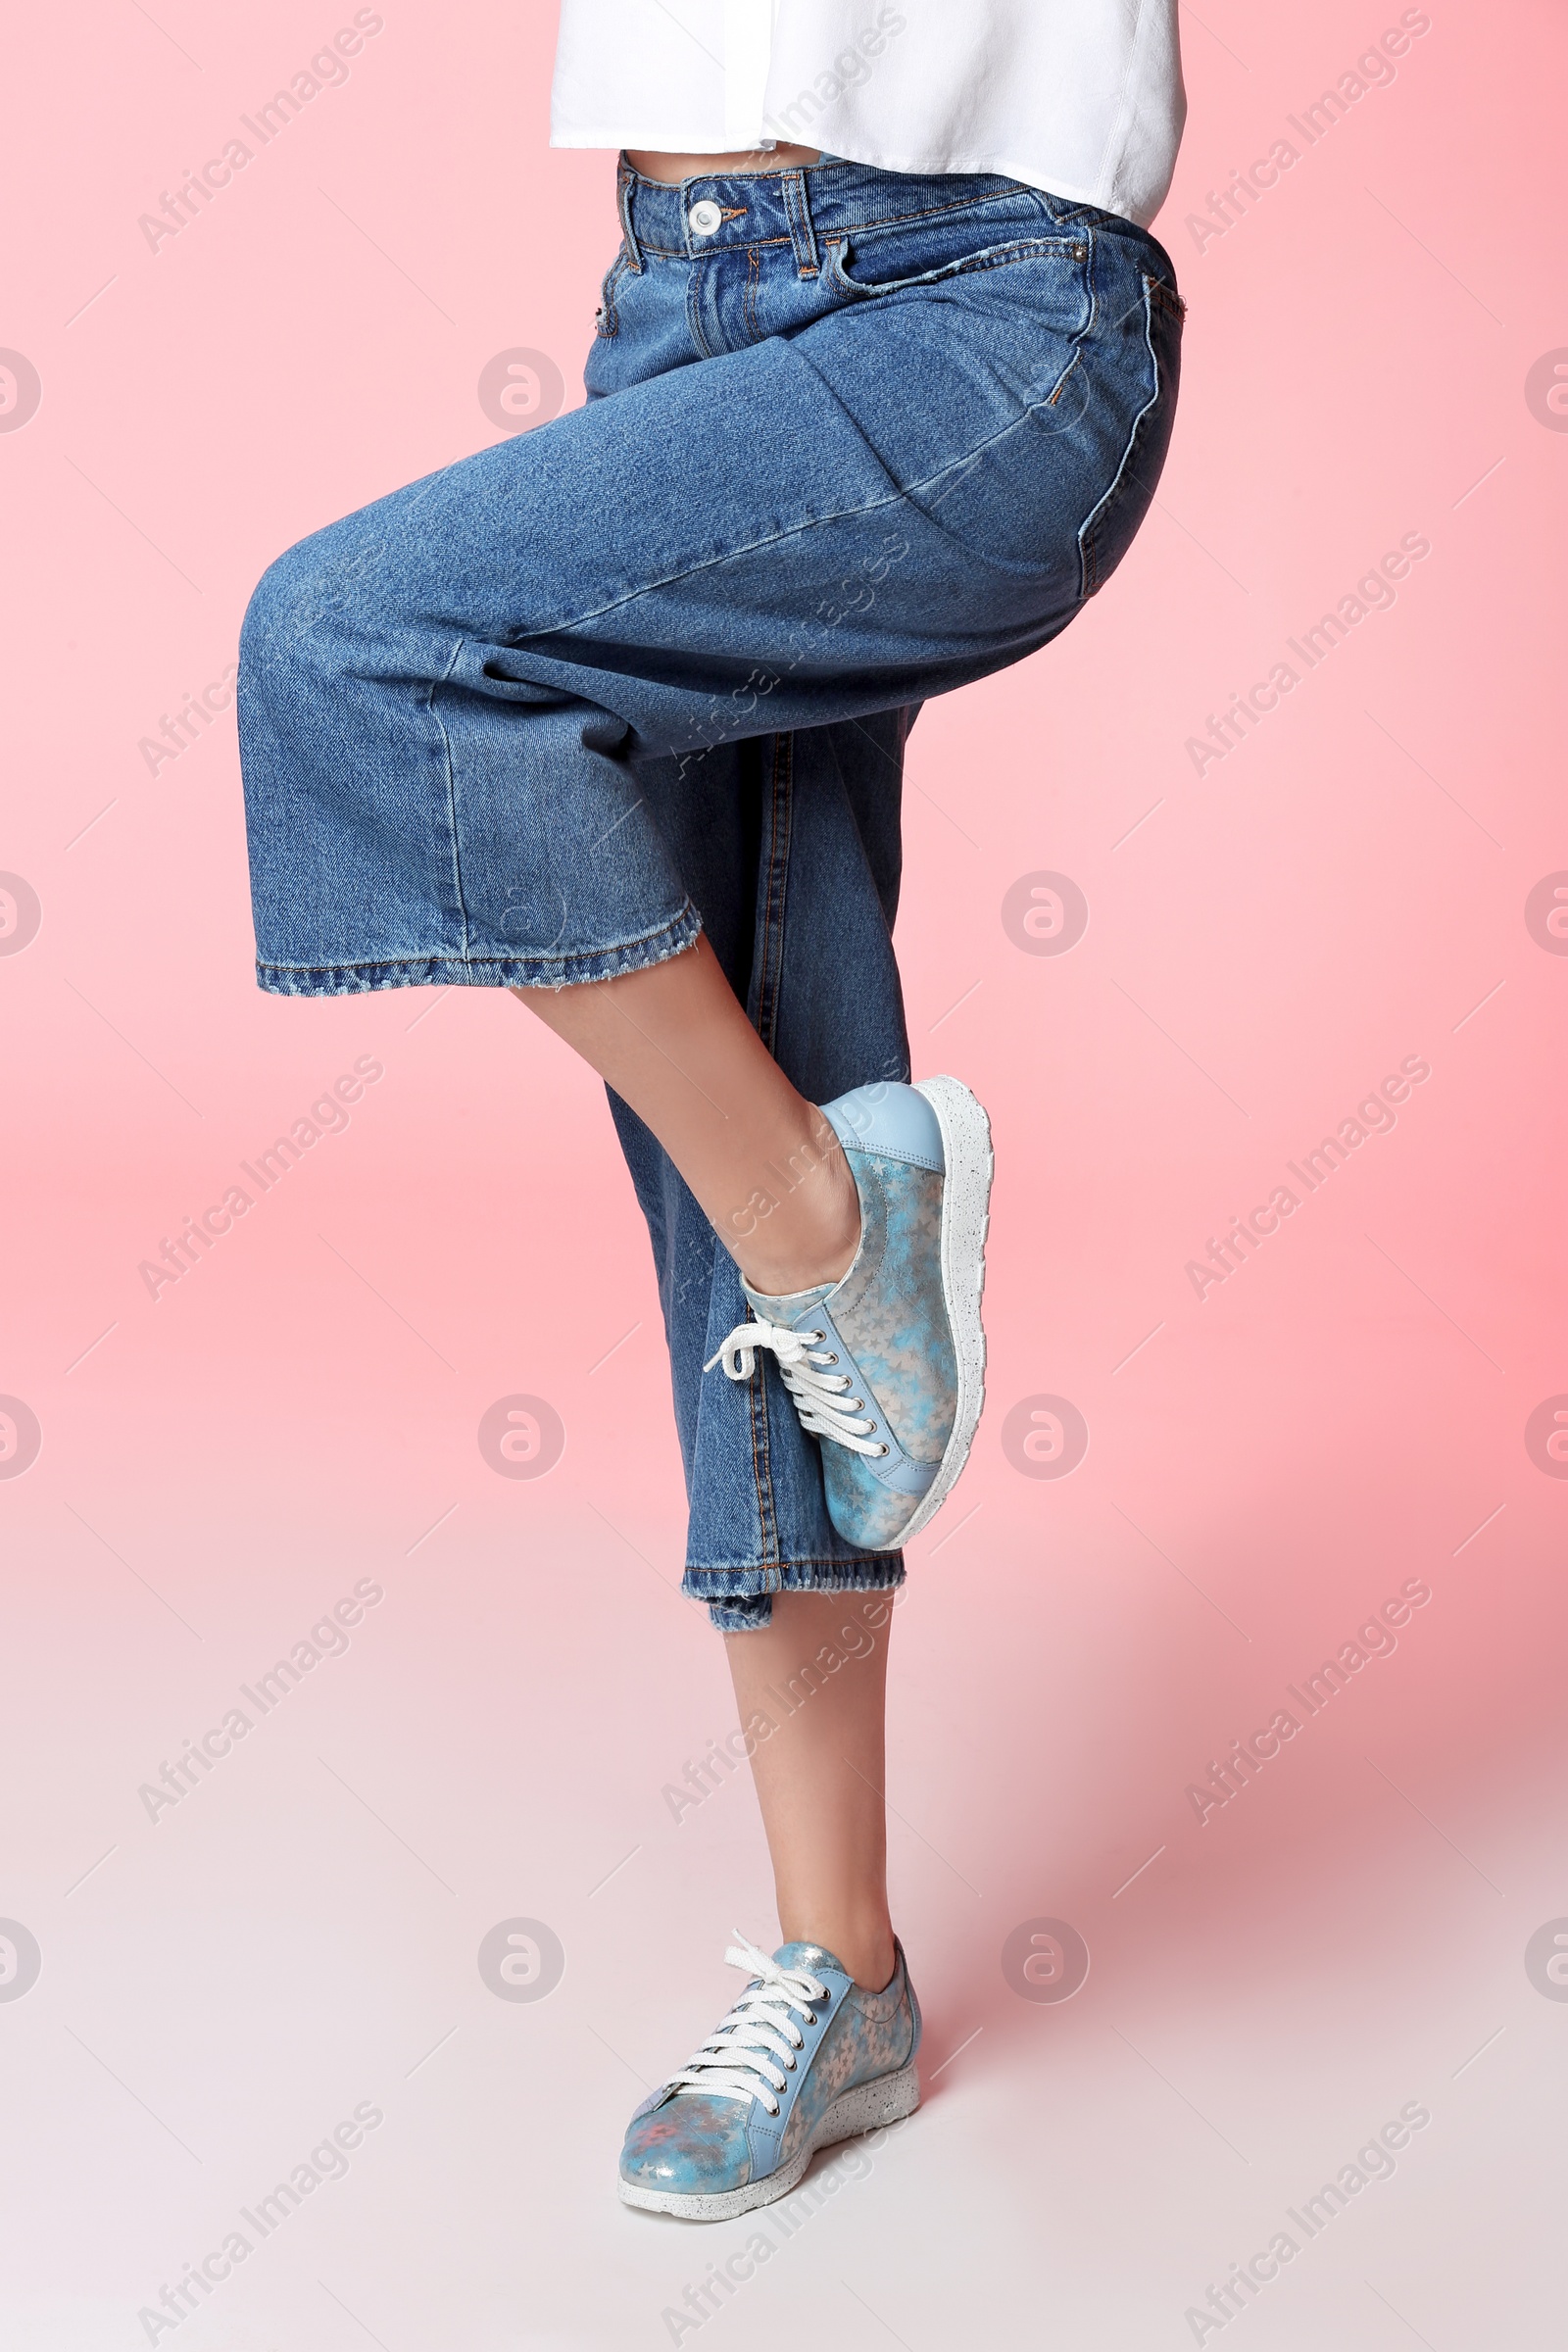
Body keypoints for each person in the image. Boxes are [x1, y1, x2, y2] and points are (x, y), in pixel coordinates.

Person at [237, 0, 1186, 2224]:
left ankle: (825, 1219)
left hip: (979, 303)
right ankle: (837, 1970)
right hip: (674, 302)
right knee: (767, 1028)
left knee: (351, 645)